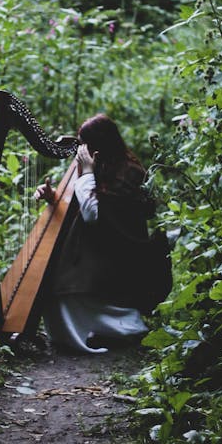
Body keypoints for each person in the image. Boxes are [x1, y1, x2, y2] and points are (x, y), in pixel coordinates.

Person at [34, 112, 155, 354]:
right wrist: (52, 197)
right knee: (50, 275)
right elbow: (83, 203)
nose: (80, 150)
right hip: (98, 246)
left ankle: (123, 329)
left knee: (63, 280)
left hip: (119, 252)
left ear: (100, 144)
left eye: (83, 143)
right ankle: (80, 334)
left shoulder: (130, 172)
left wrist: (87, 172)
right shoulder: (101, 165)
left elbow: (93, 215)